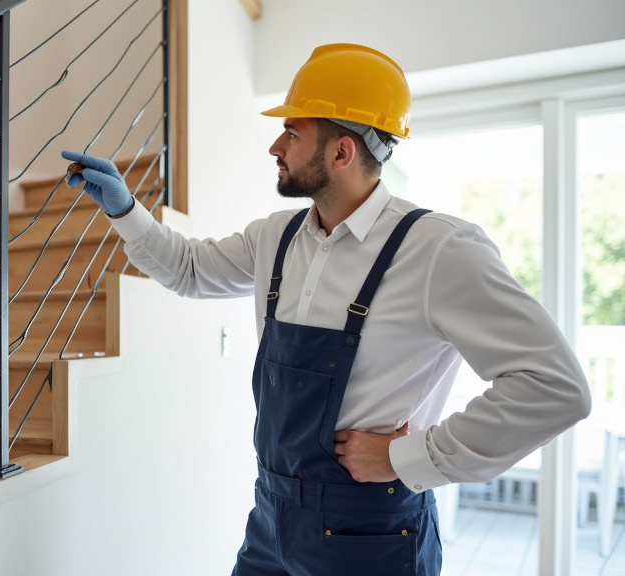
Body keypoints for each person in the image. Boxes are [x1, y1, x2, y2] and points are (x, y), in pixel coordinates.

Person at [61, 43, 591, 575]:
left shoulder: (439, 250)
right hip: (271, 517)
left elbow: (554, 386)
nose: (275, 145)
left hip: (371, 531)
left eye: (292, 133)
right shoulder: (278, 236)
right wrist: (126, 211)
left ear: (341, 153)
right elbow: (190, 270)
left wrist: (410, 457)